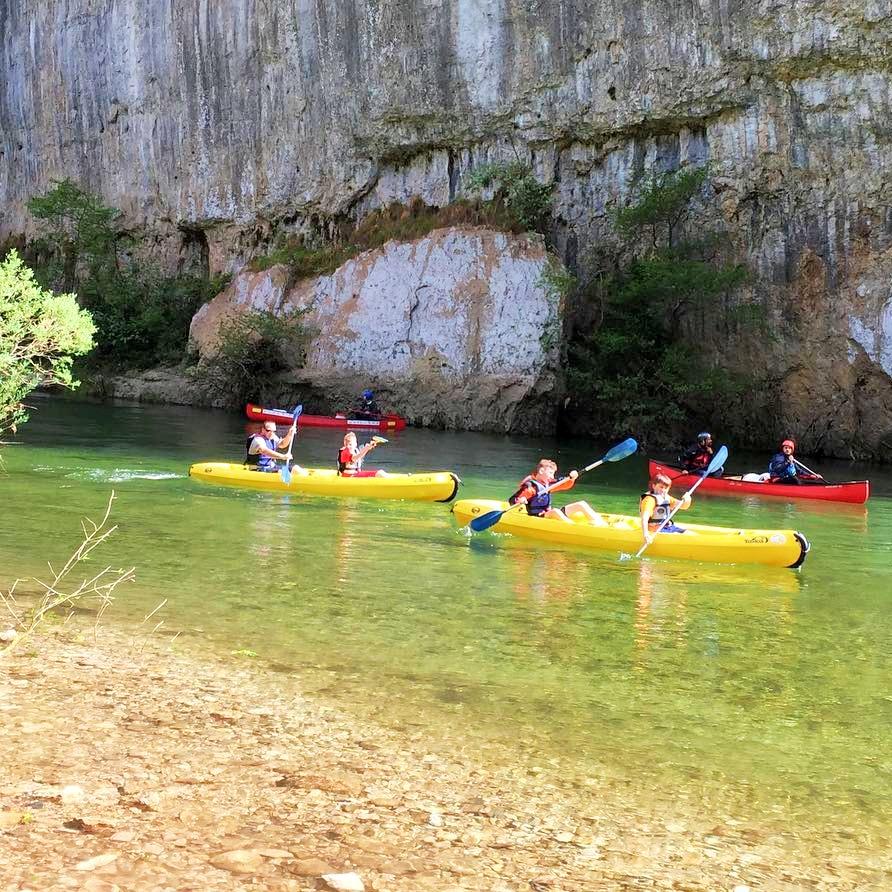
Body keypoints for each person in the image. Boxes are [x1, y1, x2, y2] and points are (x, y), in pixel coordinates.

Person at [508, 459, 607, 526]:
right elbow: (513, 500)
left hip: (549, 514)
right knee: (555, 511)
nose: (552, 476)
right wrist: (520, 500)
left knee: (581, 504)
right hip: (538, 516)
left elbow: (564, 484)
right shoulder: (531, 487)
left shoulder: (549, 484)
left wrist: (572, 478)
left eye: (553, 473)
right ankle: (573, 527)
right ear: (541, 471)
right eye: (550, 473)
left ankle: (600, 523)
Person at [640, 473, 692, 544]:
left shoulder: (666, 498)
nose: (663, 490)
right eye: (661, 487)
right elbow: (644, 518)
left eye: (666, 488)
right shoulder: (649, 499)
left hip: (667, 527)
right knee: (687, 537)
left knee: (689, 533)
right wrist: (646, 535)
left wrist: (688, 499)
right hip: (654, 530)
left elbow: (684, 506)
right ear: (654, 486)